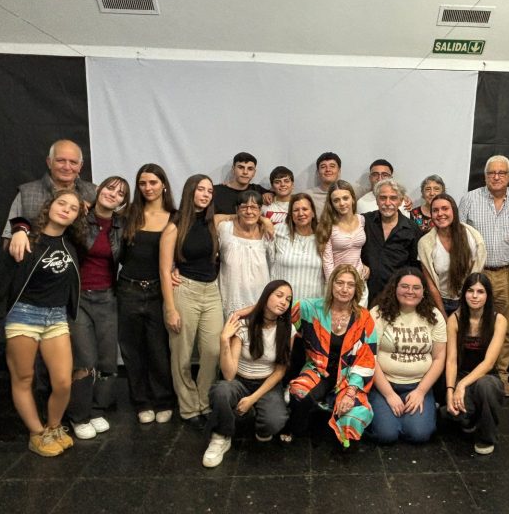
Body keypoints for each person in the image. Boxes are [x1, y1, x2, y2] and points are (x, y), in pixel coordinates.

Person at [0, 190, 86, 457]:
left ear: (76, 217)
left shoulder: (72, 245)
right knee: (24, 378)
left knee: (63, 382)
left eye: (73, 208)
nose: (66, 209)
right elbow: (18, 223)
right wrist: (19, 228)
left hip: (56, 317)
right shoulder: (28, 238)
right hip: (24, 315)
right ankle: (37, 433)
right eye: (62, 203)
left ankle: (53, 427)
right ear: (49, 206)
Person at [203, 281, 294, 468]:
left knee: (274, 421)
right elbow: (229, 375)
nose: (284, 302)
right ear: (266, 296)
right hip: (240, 380)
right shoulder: (244, 325)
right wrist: (224, 339)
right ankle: (221, 435)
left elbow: (280, 371)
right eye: (279, 295)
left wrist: (253, 399)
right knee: (221, 391)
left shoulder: (288, 329)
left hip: (267, 383)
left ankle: (259, 422)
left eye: (288, 299)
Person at [66, 176, 130, 439]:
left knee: (107, 360)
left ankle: (96, 410)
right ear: (99, 190)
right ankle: (78, 416)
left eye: (120, 193)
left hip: (108, 297)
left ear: (123, 202)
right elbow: (50, 222)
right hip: (79, 297)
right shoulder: (79, 218)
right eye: (109, 188)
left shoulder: (122, 226)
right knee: (85, 359)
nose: (112, 194)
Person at [160, 174, 226, 427]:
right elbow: (165, 270)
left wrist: (263, 220)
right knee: (182, 355)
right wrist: (170, 309)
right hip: (184, 290)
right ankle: (189, 408)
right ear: (190, 191)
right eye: (201, 189)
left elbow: (236, 216)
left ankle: (204, 402)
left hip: (212, 291)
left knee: (212, 351)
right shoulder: (174, 226)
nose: (206, 194)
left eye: (209, 191)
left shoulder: (212, 222)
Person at [286, 265, 377, 446]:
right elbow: (278, 315)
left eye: (350, 285)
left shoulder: (364, 318)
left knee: (354, 416)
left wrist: (351, 393)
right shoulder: (310, 308)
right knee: (299, 393)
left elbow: (366, 360)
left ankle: (338, 431)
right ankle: (295, 428)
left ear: (356, 289)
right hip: (317, 370)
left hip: (349, 376)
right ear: (331, 285)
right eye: (339, 283)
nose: (344, 289)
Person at [458, 155, 509, 397]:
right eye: (491, 173)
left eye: (501, 173)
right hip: (477, 273)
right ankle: (471, 373)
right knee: (472, 325)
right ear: (485, 176)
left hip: (506, 273)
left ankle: (502, 376)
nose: (496, 177)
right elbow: (458, 236)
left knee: (506, 327)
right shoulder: (469, 199)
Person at [118, 163, 176, 425]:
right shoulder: (128, 214)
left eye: (153, 182)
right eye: (142, 183)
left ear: (163, 184)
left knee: (158, 350)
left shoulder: (175, 216)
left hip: (158, 290)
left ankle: (163, 400)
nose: (148, 187)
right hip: (128, 289)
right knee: (132, 350)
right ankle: (141, 402)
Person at [368, 268, 446, 443]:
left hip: (418, 384)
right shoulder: (378, 313)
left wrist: (421, 391)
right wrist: (389, 394)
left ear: (424, 291)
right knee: (386, 435)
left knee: (419, 435)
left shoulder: (434, 316)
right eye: (404, 286)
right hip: (384, 384)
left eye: (416, 288)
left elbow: (439, 358)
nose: (410, 291)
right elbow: (370, 358)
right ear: (394, 288)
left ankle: (421, 411)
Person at [445, 273, 507, 455]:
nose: (474, 296)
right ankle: (471, 419)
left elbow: (489, 363)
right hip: (461, 375)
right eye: (470, 291)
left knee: (485, 386)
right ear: (464, 293)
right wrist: (451, 390)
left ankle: (486, 437)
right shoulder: (454, 319)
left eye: (480, 292)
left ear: (488, 295)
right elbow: (451, 360)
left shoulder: (499, 320)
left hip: (487, 378)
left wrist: (462, 386)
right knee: (452, 415)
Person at [5, 138, 96, 254]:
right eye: (60, 160)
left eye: (73, 162)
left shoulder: (94, 193)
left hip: (80, 262)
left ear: (80, 166)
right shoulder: (27, 193)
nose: (67, 167)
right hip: (34, 261)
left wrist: (94, 208)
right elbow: (8, 239)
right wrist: (19, 233)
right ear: (49, 162)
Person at [418, 193, 486, 318]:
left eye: (445, 208)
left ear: (454, 210)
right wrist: (442, 314)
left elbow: (475, 275)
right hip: (439, 301)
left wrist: (463, 309)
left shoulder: (472, 237)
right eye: (435, 210)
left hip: (468, 299)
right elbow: (430, 284)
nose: (440, 214)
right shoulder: (425, 243)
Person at [361, 179, 421, 305]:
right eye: (383, 198)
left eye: (393, 198)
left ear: (400, 201)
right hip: (365, 293)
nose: (387, 203)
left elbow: (415, 267)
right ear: (377, 200)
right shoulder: (364, 221)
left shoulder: (412, 229)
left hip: (397, 297)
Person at [218, 190, 274, 317]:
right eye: (244, 207)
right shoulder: (224, 228)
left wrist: (265, 221)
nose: (249, 211)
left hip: (259, 299)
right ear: (237, 209)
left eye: (254, 207)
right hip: (231, 299)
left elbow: (273, 263)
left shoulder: (267, 233)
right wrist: (264, 219)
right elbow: (212, 219)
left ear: (260, 210)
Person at [315, 180, 369, 306]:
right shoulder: (327, 225)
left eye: (345, 198)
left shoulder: (362, 220)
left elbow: (364, 250)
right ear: (331, 204)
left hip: (359, 281)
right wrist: (334, 287)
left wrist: (365, 265)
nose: (342, 203)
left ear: (353, 199)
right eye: (336, 200)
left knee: (360, 317)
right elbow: (327, 262)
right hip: (337, 284)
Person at [270, 193, 324, 301]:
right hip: (283, 304)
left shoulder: (322, 236)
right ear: (290, 214)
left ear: (313, 213)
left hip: (313, 305)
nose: (300, 213)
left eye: (305, 209)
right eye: (295, 210)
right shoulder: (279, 230)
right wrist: (264, 220)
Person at [306, 152, 341, 216]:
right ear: (318, 172)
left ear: (339, 171)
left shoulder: (348, 193)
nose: (328, 170)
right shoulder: (308, 196)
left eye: (332, 166)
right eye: (323, 167)